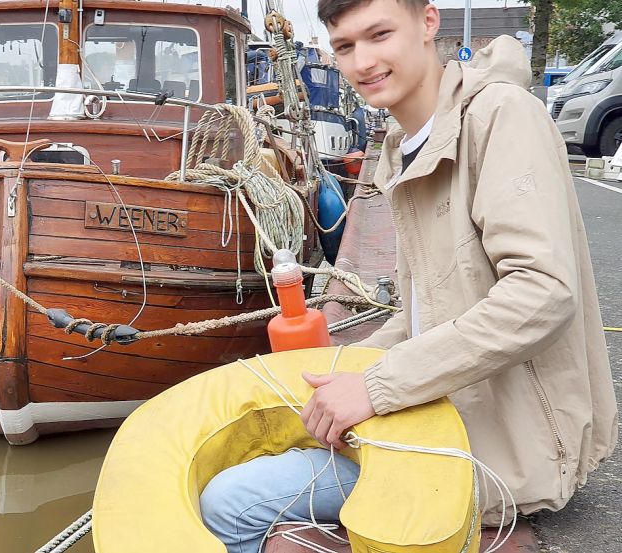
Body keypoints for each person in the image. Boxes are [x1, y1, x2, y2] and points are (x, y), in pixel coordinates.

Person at [200, 0, 619, 551]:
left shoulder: (500, 116)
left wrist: (374, 386)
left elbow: (542, 293)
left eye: (379, 34)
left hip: (508, 446)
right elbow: (429, 306)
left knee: (228, 501)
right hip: (451, 409)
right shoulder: (402, 147)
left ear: (427, 22)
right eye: (345, 47)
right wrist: (343, 370)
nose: (363, 61)